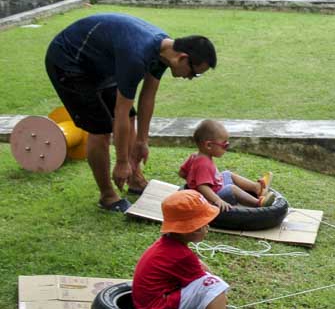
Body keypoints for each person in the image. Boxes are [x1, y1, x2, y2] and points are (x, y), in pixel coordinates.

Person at [45, 13, 216, 212]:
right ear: (183, 58)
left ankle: (134, 179)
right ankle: (107, 195)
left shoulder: (163, 53)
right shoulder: (136, 55)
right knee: (100, 129)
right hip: (68, 61)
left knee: (130, 117)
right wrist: (121, 162)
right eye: (194, 73)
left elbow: (147, 97)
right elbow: (120, 111)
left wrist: (142, 140)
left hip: (99, 63)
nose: (191, 78)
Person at [132, 190, 253, 309]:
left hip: (147, 304)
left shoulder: (167, 245)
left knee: (209, 283)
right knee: (215, 285)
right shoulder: (181, 256)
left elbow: (197, 267)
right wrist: (217, 297)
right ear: (191, 229)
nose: (208, 227)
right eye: (204, 224)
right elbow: (207, 279)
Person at [179, 120, 274, 210]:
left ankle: (257, 188)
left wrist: (192, 181)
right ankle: (258, 203)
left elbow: (182, 173)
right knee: (231, 189)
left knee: (227, 174)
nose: (226, 148)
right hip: (210, 197)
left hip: (214, 187)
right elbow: (202, 187)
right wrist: (217, 200)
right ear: (209, 145)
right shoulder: (204, 164)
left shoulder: (194, 156)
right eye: (225, 145)